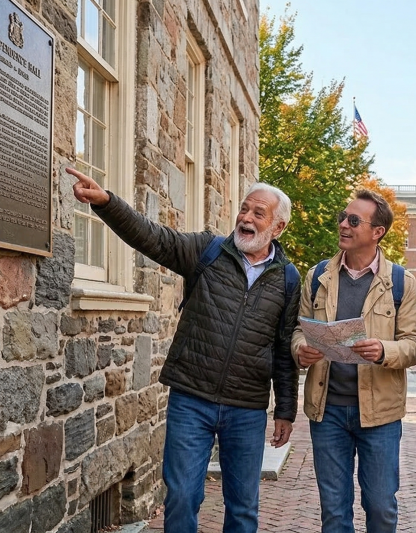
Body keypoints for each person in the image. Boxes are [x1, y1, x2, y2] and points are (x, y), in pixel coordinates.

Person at [68, 168, 299, 533]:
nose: (246, 218)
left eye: (259, 213)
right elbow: (153, 237)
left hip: (246, 408)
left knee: (243, 508)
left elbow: (285, 347)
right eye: (244, 208)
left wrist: (285, 409)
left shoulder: (287, 279)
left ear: (278, 227)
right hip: (191, 399)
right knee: (181, 498)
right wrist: (107, 203)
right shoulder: (208, 250)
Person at [292, 189, 416, 533]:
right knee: (334, 513)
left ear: (378, 232)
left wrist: (383, 351)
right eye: (343, 217)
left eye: (353, 220)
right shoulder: (317, 276)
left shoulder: (401, 282)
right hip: (327, 412)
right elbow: (299, 330)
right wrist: (300, 350)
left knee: (381, 508)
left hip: (379, 415)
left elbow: (414, 346)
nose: (343, 225)